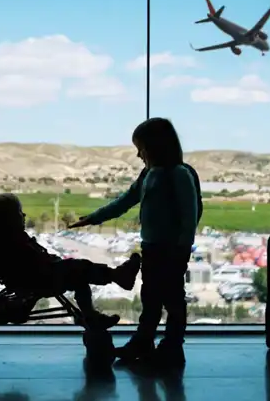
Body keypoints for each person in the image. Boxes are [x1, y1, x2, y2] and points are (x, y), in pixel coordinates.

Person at [69, 118, 200, 368]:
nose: (138, 154)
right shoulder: (149, 174)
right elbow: (124, 201)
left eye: (141, 147)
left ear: (156, 146)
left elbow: (189, 217)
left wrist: (182, 250)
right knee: (151, 298)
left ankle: (170, 347)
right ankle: (146, 342)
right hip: (152, 248)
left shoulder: (178, 175)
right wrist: (93, 218)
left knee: (172, 300)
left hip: (171, 251)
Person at [0, 193, 142, 330]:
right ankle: (116, 276)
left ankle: (91, 315)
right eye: (20, 214)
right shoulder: (12, 243)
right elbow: (33, 265)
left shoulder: (6, 242)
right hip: (39, 279)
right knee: (78, 268)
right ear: (10, 220)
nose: (24, 216)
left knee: (78, 277)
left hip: (38, 276)